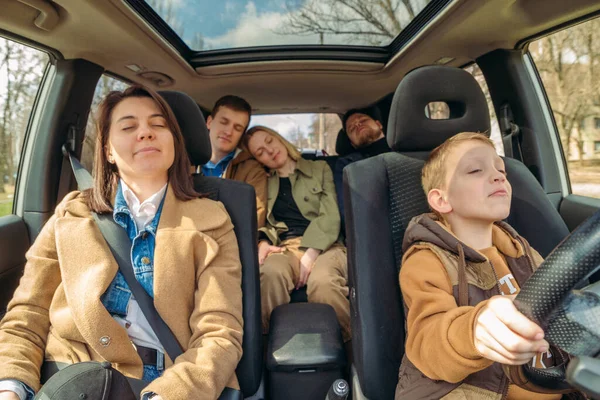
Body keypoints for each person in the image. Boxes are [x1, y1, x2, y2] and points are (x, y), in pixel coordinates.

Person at [0, 85, 243, 400]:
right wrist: (12, 385)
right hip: (65, 375)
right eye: (129, 127)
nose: (145, 133)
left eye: (158, 125)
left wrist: (173, 393)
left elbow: (219, 333)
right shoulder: (71, 213)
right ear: (108, 151)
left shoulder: (212, 220)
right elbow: (27, 314)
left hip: (163, 382)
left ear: (174, 142)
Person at [395, 132, 574, 399]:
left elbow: (559, 300)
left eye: (501, 170)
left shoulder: (521, 249)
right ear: (441, 200)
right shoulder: (426, 259)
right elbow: (426, 339)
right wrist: (474, 331)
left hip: (554, 382)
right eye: (476, 170)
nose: (499, 176)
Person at [242, 126, 350, 342]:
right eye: (260, 152)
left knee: (324, 284)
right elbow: (262, 220)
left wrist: (311, 254)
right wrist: (262, 242)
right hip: (285, 247)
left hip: (326, 245)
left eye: (269, 141)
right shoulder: (264, 181)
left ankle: (350, 349)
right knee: (270, 275)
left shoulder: (320, 168)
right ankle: (265, 349)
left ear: (280, 138)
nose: (269, 151)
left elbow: (330, 214)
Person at [202, 95, 267, 228]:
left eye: (237, 128)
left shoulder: (252, 170)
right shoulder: (183, 162)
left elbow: (254, 219)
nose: (228, 131)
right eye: (224, 122)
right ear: (209, 122)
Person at [333, 107, 390, 230]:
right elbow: (347, 210)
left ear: (379, 124)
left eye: (363, 120)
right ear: (352, 142)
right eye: (351, 128)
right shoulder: (347, 165)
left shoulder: (406, 150)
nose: (358, 125)